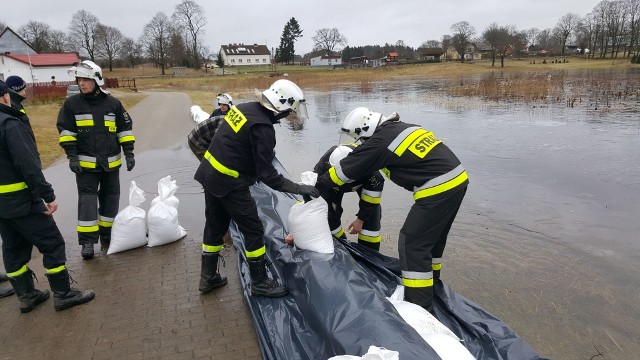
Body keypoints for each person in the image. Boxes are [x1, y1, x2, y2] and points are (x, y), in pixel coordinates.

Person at [316, 107, 468, 313]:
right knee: (433, 240)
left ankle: (420, 308)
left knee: (412, 244)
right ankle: (433, 284)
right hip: (457, 181)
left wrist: (313, 187)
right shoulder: (399, 129)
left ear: (366, 129)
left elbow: (341, 173)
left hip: (436, 188)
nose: (361, 143)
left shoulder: (381, 140)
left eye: (360, 139)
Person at [194, 79, 319, 297]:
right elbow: (268, 175)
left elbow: (232, 143)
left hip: (210, 174)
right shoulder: (263, 127)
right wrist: (299, 188)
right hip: (230, 183)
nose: (288, 114)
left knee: (215, 226)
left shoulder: (242, 108)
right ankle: (260, 282)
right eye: (289, 110)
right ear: (280, 106)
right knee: (253, 230)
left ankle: (208, 277)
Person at [0, 81, 95, 313]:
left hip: (2, 207)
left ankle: (27, 296)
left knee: (12, 248)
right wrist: (47, 194)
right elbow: (27, 164)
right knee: (52, 244)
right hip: (22, 200)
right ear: (4, 97)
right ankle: (63, 295)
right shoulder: (9, 124)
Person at [56, 60, 136, 259]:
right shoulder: (71, 105)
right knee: (88, 203)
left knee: (111, 200)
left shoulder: (113, 104)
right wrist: (72, 157)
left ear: (97, 80)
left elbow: (124, 130)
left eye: (85, 79)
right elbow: (66, 133)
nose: (81, 83)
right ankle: (88, 243)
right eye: (79, 79)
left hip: (110, 164)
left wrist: (129, 153)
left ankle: (106, 233)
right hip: (85, 166)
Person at [312, 144, 385, 251]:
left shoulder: (369, 168)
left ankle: (370, 256)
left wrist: (361, 219)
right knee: (329, 215)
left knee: (371, 224)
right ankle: (342, 249)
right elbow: (311, 191)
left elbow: (372, 199)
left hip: (363, 184)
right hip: (333, 187)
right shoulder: (323, 166)